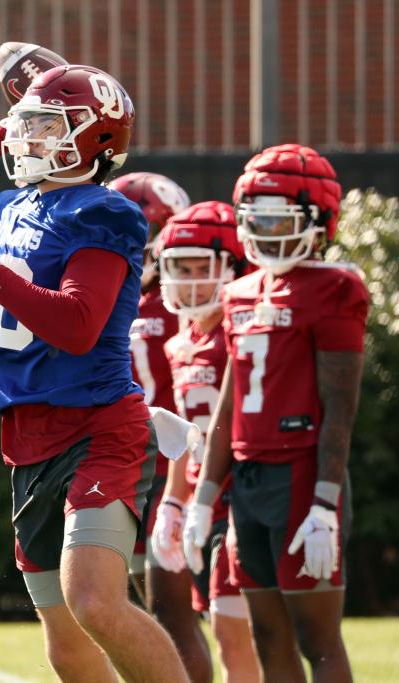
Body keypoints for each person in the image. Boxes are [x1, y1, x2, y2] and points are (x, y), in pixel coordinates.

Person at [0, 64, 188, 683]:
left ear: (95, 139)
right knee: (66, 639)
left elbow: (79, 324)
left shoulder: (104, 212)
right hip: (28, 438)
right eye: (24, 128)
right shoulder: (7, 208)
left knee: (95, 603)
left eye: (43, 128)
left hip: (98, 426)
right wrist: (8, 118)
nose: (25, 140)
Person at [184, 144, 368, 682]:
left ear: (317, 220)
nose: (264, 230)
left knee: (318, 638)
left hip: (303, 475)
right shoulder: (239, 293)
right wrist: (203, 497)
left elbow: (341, 407)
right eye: (255, 217)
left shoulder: (336, 288)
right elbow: (231, 398)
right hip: (248, 479)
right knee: (267, 634)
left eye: (277, 218)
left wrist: (325, 504)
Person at [148, 201, 260, 683]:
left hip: (241, 494)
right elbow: (184, 433)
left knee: (242, 633)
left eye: (203, 268)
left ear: (233, 267)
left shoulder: (240, 334)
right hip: (201, 499)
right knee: (223, 630)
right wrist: (173, 501)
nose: (193, 281)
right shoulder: (180, 342)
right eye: (182, 268)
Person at [109, 173, 213, 682]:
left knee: (174, 613)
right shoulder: (106, 301)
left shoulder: (179, 306)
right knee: (135, 611)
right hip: (122, 465)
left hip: (177, 465)